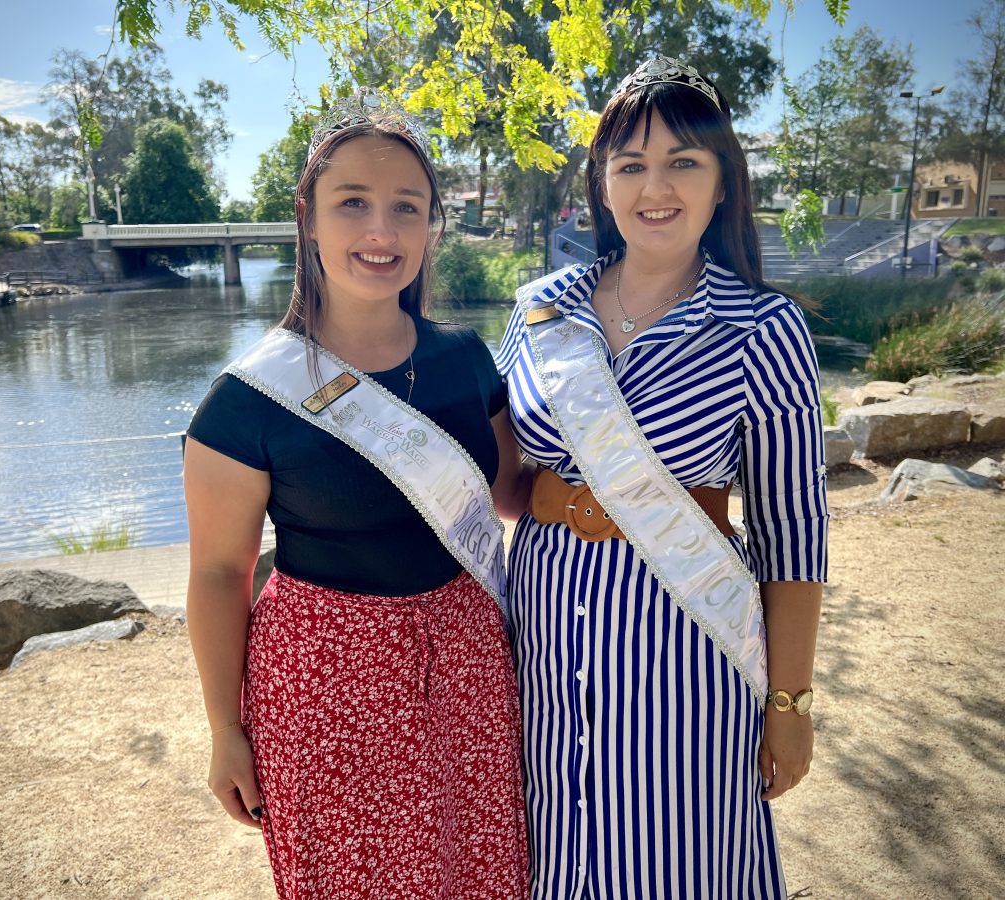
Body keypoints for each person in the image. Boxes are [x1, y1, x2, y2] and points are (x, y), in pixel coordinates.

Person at [182, 88, 530, 900]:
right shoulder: (247, 400)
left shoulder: (469, 360)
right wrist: (225, 731)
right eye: (353, 204)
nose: (383, 231)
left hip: (472, 668)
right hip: (325, 686)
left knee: (482, 871)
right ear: (307, 216)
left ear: (431, 224)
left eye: (407, 207)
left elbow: (517, 494)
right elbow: (216, 576)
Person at [496, 57, 828, 898]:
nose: (657, 186)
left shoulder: (763, 327)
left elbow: (795, 540)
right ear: (602, 185)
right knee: (555, 852)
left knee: (678, 860)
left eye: (685, 161)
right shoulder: (540, 310)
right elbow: (496, 478)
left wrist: (789, 704)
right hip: (542, 646)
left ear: (723, 184)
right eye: (632, 164)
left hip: (685, 654)